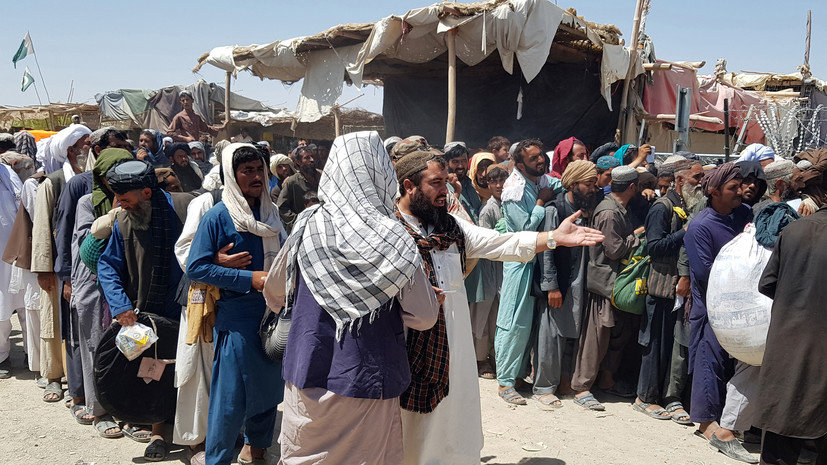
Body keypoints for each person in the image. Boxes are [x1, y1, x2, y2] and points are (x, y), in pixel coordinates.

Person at [394, 149, 604, 464]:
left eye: (446, 183)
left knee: (452, 413)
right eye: (436, 183)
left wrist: (553, 238)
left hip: (453, 342)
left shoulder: (451, 228)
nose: (445, 191)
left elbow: (501, 243)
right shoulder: (390, 232)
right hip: (407, 342)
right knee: (407, 423)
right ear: (409, 186)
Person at [263, 131, 439, 464]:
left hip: (307, 368)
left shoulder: (307, 224)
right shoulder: (393, 236)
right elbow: (424, 316)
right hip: (369, 375)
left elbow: (275, 293)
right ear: (380, 173)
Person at [186, 143, 285, 465]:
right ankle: (217, 459)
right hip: (238, 318)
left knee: (268, 390)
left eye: (260, 170)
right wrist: (248, 279)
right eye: (247, 171)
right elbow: (196, 268)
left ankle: (256, 450)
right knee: (230, 398)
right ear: (232, 175)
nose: (256, 177)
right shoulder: (218, 216)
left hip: (272, 315)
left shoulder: (271, 214)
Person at [97, 159, 194, 461]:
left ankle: (195, 436)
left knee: (192, 372)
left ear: (147, 193)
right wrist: (120, 305)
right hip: (146, 315)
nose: (120, 205)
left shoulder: (187, 208)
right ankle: (157, 432)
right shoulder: (123, 222)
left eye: (125, 199)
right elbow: (107, 266)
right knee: (153, 372)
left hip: (189, 311)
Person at [683, 162, 755, 463]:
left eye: (740, 186)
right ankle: (705, 422)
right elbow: (704, 272)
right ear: (713, 192)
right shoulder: (700, 227)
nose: (740, 191)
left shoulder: (745, 215)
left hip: (744, 305)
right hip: (712, 306)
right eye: (732, 187)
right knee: (708, 359)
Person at [757, 204, 827, 465]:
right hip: (821, 350)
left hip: (785, 342)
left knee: (782, 419)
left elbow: (767, 283)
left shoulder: (793, 230)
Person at [634, 156, 702, 423]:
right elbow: (654, 247)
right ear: (680, 179)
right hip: (660, 285)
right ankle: (645, 398)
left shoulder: (686, 205)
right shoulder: (662, 207)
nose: (700, 182)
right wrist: (686, 231)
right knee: (655, 341)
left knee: (670, 344)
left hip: (677, 289)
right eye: (696, 177)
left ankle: (667, 397)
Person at [494, 139, 562, 406]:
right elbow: (525, 229)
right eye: (533, 159)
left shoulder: (541, 180)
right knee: (513, 322)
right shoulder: (514, 190)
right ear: (520, 165)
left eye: (541, 156)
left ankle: (519, 374)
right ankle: (505, 382)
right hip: (518, 262)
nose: (541, 160)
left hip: (535, 261)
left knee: (529, 323)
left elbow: (560, 183)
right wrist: (541, 202)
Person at [533, 160, 602, 409]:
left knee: (571, 332)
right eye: (588, 184)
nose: (593, 189)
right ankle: (543, 387)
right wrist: (551, 286)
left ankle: (564, 382)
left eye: (594, 184)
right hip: (558, 282)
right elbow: (546, 250)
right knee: (550, 335)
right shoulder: (555, 209)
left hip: (578, 280)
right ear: (573, 184)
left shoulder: (587, 208)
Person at [31, 124, 91, 403]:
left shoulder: (92, 180)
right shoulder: (53, 182)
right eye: (86, 144)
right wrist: (44, 269)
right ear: (71, 150)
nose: (90, 149)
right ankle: (54, 377)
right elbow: (42, 229)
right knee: (54, 323)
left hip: (83, 266)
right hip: (57, 267)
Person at [473, 166, 508, 379]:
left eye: (502, 181)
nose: (498, 185)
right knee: (484, 317)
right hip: (490, 269)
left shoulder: (511, 205)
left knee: (499, 316)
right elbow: (485, 243)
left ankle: (497, 357)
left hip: (505, 269)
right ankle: (481, 359)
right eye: (494, 182)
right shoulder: (488, 210)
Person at [0, 158, 27, 380]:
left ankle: (32, 354)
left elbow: (23, 208)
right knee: (1, 312)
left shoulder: (8, 175)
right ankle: (2, 356)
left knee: (28, 306)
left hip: (17, 252)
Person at [277, 145, 320, 232]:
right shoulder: (293, 181)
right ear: (298, 162)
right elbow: (281, 207)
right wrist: (298, 221)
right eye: (307, 158)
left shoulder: (322, 177)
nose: (312, 160)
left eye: (312, 157)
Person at [443, 142, 481, 224]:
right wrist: (457, 192)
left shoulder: (470, 184)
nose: (460, 166)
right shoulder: (443, 188)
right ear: (447, 163)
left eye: (464, 161)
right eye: (455, 162)